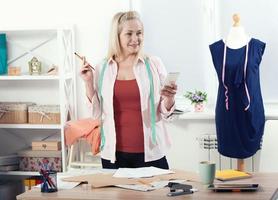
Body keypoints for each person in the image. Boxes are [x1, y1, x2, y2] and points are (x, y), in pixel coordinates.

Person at [80, 11, 177, 169]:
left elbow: (165, 113)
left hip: (152, 153)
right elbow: (96, 114)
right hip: (114, 155)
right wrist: (88, 82)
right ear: (117, 36)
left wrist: (169, 98)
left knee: (158, 194)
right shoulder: (103, 67)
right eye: (129, 34)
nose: (135, 39)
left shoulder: (153, 64)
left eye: (139, 33)